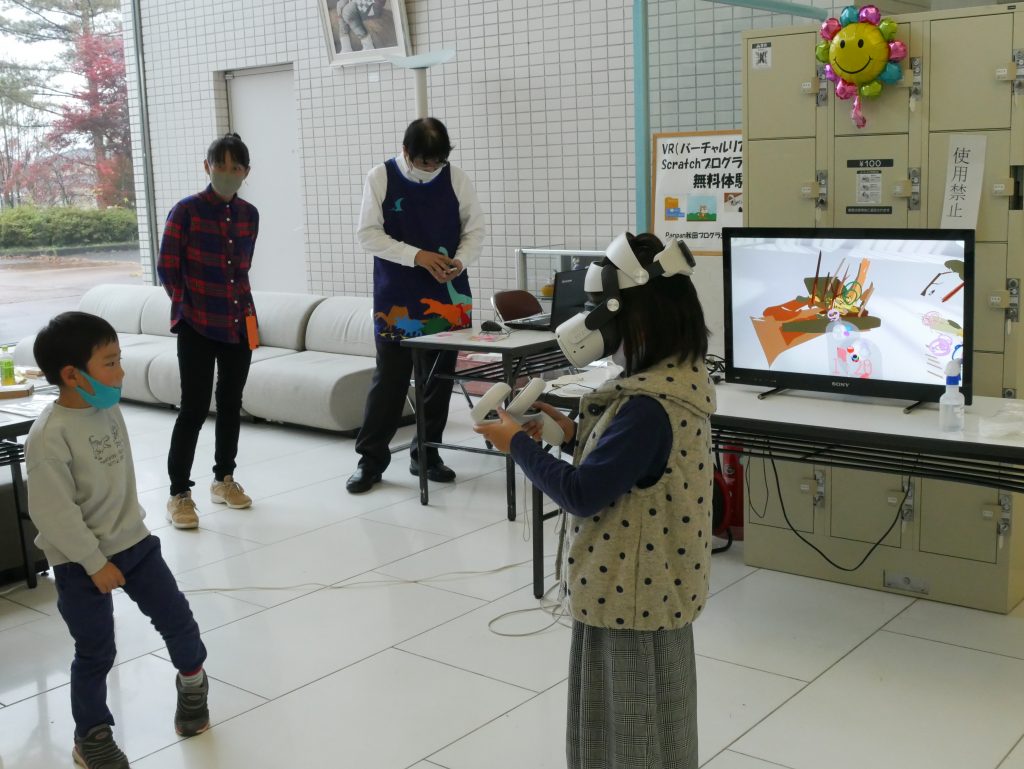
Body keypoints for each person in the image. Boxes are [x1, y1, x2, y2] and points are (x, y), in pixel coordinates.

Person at [475, 232, 715, 769]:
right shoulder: (677, 380)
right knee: (651, 729)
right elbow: (630, 466)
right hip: (647, 594)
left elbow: (582, 494)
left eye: (601, 313)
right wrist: (564, 433)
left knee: (630, 737)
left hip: (630, 603)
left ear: (637, 323)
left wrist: (516, 444)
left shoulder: (648, 407)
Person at [25, 312, 210, 769]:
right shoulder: (48, 437)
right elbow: (54, 514)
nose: (120, 372)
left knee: (179, 622)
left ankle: (193, 684)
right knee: (95, 651)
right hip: (78, 562)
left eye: (119, 359)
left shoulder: (107, 408)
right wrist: (94, 562)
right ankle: (91, 735)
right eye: (109, 363)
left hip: (135, 544)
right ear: (72, 375)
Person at [346, 117, 485, 494]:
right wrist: (417, 256)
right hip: (398, 298)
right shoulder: (381, 177)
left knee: (437, 382)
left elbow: (474, 230)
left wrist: (461, 261)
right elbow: (368, 234)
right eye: (425, 161)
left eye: (438, 161)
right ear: (406, 152)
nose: (431, 167)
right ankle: (370, 460)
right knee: (390, 381)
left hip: (449, 296)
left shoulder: (457, 179)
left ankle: (427, 453)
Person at [157, 133, 258, 528]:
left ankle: (223, 479)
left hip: (238, 321)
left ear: (246, 172)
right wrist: (188, 304)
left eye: (236, 167)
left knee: (231, 403)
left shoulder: (249, 214)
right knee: (194, 408)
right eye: (221, 166)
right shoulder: (186, 211)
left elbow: (241, 270)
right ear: (207, 167)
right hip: (196, 322)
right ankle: (179, 494)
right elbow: (167, 268)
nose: (228, 173)